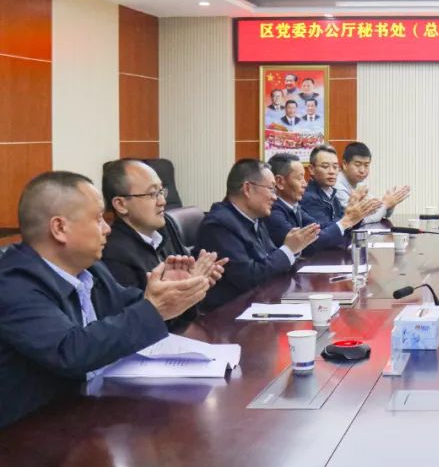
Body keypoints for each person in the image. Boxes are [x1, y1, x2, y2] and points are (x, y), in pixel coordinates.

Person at [0, 171, 211, 428]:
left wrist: (173, 292)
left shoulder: (90, 269)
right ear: (60, 228)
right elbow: (70, 351)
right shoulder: (12, 284)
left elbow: (130, 306)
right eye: (99, 218)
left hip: (90, 413)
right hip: (31, 433)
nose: (107, 229)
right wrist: (155, 308)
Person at [100, 160, 226, 330]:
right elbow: (138, 325)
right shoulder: (113, 252)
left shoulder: (166, 227)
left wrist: (197, 285)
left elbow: (187, 315)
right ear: (121, 205)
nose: (162, 201)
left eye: (161, 191)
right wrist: (187, 289)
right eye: (152, 194)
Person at [196, 159, 320, 311]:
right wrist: (289, 249)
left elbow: (270, 258)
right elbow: (248, 277)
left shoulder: (255, 218)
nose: (275, 197)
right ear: (248, 189)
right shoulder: (219, 225)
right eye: (271, 189)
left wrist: (293, 248)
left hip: (260, 303)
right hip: (229, 314)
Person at [265, 153, 381, 253]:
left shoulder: (295, 207)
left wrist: (352, 217)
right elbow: (310, 244)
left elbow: (321, 228)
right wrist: (347, 220)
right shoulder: (274, 212)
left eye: (335, 167)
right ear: (280, 182)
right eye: (299, 178)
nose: (305, 184)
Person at [332, 142, 410, 224]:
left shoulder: (360, 183)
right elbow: (360, 220)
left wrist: (391, 203)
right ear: (345, 164)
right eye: (357, 165)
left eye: (366, 165)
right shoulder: (337, 186)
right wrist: (386, 204)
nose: (362, 170)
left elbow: (378, 212)